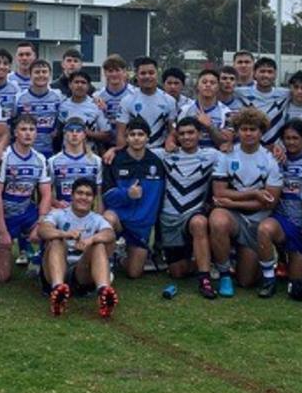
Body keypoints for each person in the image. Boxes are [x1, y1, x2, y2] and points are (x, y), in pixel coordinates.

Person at [208, 107, 283, 297]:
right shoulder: (226, 154)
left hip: (257, 220)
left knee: (246, 281)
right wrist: (256, 194)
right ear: (237, 131)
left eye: (253, 129)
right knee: (217, 219)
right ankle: (224, 273)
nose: (248, 133)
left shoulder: (271, 159)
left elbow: (270, 202)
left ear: (261, 132)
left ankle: (256, 261)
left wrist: (233, 203)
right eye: (243, 129)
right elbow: (219, 192)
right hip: (234, 218)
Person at [152, 117, 221, 298]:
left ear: (200, 134)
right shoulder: (164, 154)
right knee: (178, 273)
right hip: (169, 218)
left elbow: (238, 154)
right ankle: (204, 258)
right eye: (182, 133)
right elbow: (135, 149)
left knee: (199, 223)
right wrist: (113, 150)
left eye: (191, 132)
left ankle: (204, 280)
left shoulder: (212, 155)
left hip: (193, 214)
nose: (186, 137)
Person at [258, 119, 302, 298]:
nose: (291, 142)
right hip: (282, 219)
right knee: (264, 229)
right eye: (287, 138)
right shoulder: (277, 157)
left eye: (295, 138)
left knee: (296, 282)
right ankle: (268, 279)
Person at [38, 178, 119, 318]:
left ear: (93, 199)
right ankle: (58, 290)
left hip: (80, 272)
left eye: (88, 194)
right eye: (79, 193)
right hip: (55, 269)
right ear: (72, 195)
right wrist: (65, 234)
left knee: (98, 245)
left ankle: (104, 292)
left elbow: (110, 234)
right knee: (57, 241)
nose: (83, 197)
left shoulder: (97, 218)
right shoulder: (58, 213)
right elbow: (43, 230)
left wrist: (91, 240)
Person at [0, 114, 52, 282]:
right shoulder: (4, 157)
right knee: (2, 276)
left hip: (26, 212)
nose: (28, 133)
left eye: (32, 129)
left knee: (49, 230)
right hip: (4, 216)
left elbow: (46, 194)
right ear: (15, 133)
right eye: (23, 129)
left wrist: (41, 222)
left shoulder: (40, 159)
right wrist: (2, 231)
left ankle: (38, 258)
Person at [102, 118, 165, 279]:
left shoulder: (156, 163)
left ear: (147, 138)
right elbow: (107, 196)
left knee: (134, 273)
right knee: (108, 218)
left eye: (141, 134)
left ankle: (120, 257)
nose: (136, 138)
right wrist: (127, 194)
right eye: (132, 134)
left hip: (140, 225)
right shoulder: (115, 160)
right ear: (127, 137)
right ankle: (105, 266)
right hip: (119, 219)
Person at [114, 57, 177, 151]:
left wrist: (170, 141)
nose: (147, 76)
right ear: (137, 76)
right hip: (134, 152)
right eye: (143, 73)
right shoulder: (127, 101)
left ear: (157, 74)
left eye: (151, 73)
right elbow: (121, 133)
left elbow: (172, 129)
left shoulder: (169, 100)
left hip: (159, 151)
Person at [14, 59, 63, 159]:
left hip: (50, 151)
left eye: (44, 72)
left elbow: (61, 120)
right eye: (37, 72)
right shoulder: (19, 98)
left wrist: (57, 129)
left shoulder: (58, 96)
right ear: (30, 75)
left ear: (50, 75)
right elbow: (12, 123)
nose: (41, 75)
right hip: (25, 151)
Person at [235, 56, 288, 148]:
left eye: (270, 72)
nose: (266, 75)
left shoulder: (285, 94)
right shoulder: (240, 92)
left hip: (276, 149)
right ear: (254, 74)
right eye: (262, 71)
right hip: (249, 146)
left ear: (275, 75)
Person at [49, 118, 103, 207]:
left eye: (78, 131)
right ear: (65, 134)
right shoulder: (53, 161)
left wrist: (100, 216)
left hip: (87, 213)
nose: (74, 134)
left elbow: (100, 195)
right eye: (70, 131)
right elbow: (46, 193)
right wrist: (56, 203)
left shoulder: (96, 161)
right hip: (62, 212)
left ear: (84, 134)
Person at [177, 69, 233, 150]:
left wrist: (210, 126)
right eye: (204, 82)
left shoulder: (226, 112)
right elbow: (175, 136)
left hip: (215, 158)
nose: (208, 85)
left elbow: (226, 143)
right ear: (197, 86)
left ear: (218, 87)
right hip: (190, 157)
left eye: (212, 83)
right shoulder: (184, 110)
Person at [57, 72, 112, 146]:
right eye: (76, 82)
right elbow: (57, 132)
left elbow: (106, 134)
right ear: (70, 85)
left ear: (88, 86)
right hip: (66, 152)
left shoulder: (97, 105)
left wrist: (86, 132)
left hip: (89, 152)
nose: (80, 85)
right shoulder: (62, 105)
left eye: (83, 82)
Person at [95, 54, 135, 129]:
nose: (114, 74)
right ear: (105, 73)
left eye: (117, 70)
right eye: (110, 71)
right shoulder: (97, 96)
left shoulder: (134, 93)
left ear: (124, 71)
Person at [0, 48, 21, 121]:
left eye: (5, 63)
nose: (1, 67)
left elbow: (15, 114)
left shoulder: (15, 88)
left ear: (10, 66)